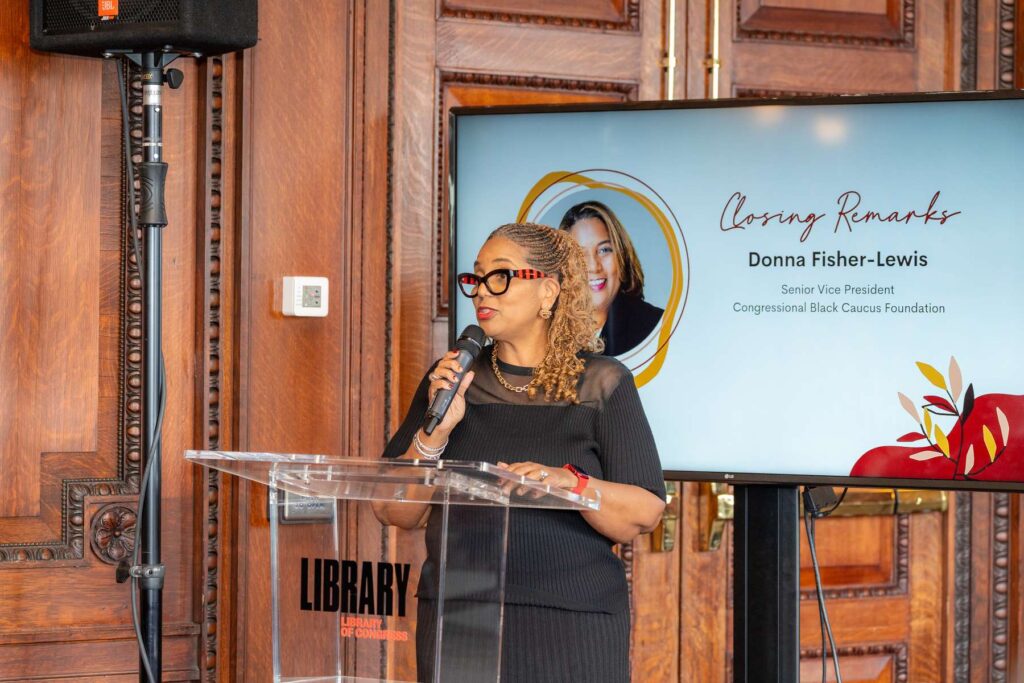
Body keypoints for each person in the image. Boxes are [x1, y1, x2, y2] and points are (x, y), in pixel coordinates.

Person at [378, 222, 666, 682]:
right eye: (476, 277)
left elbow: (645, 511)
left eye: (500, 276)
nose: (481, 290)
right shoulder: (454, 381)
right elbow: (393, 509)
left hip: (572, 621)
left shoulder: (602, 384)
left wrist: (572, 484)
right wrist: (434, 437)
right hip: (461, 617)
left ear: (548, 291)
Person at [559, 201, 665, 356]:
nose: (594, 267)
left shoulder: (657, 326)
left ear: (621, 254)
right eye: (579, 254)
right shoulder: (548, 331)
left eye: (604, 250)